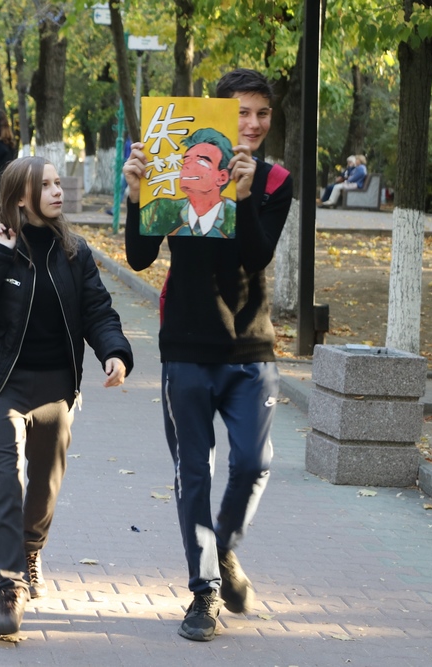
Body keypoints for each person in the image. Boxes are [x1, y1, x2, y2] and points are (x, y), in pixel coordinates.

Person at [122, 68, 293, 643]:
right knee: (193, 472)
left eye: (262, 113)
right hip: (187, 347)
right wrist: (136, 198)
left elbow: (256, 256)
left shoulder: (275, 181)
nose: (253, 123)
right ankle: (204, 592)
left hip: (251, 346)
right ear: (216, 113)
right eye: (241, 112)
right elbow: (140, 257)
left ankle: (222, 549)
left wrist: (242, 197)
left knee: (253, 463)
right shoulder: (175, 168)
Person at [0, 156, 133, 636]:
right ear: (19, 197)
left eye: (57, 183)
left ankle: (31, 549)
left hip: (56, 387)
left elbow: (97, 310)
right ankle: (10, 586)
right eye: (46, 185)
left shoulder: (74, 250)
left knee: (46, 483)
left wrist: (115, 352)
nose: (57, 191)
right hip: (1, 386)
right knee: (5, 482)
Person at [139, 128, 237, 238]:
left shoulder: (236, 216)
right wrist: (134, 195)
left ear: (222, 178)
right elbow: (138, 248)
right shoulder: (159, 210)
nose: (187, 166)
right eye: (186, 160)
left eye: (201, 161)